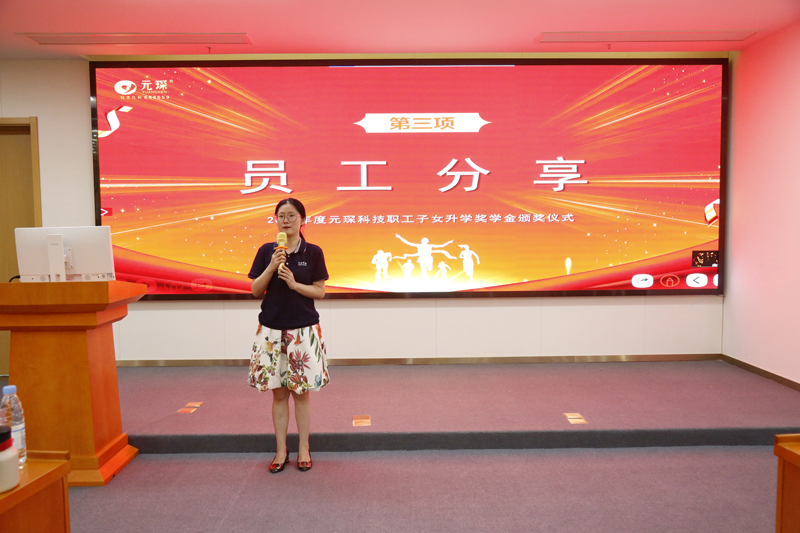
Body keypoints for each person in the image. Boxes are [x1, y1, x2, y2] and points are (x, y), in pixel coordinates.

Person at [247, 198, 329, 473]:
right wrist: (271, 266)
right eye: (281, 215)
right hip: (271, 331)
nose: (286, 220)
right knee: (279, 394)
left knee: (301, 393)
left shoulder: (313, 252)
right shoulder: (266, 251)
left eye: (292, 215)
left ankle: (304, 447)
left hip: (302, 330)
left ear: (302, 220)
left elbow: (319, 292)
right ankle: (281, 450)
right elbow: (255, 290)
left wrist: (295, 285)